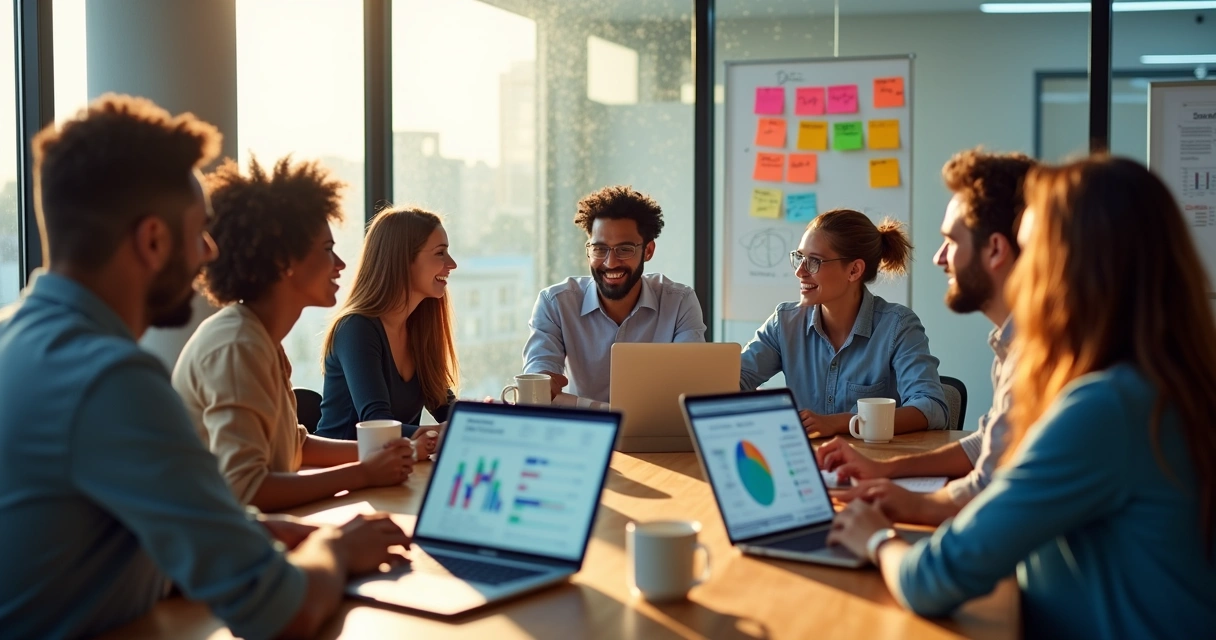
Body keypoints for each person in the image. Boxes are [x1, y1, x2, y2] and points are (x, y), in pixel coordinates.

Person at [0, 94, 408, 638]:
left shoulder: (16, 340)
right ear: (152, 240)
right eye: (198, 232)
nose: (211, 252)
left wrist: (253, 532)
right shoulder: (110, 380)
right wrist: (336, 545)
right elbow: (282, 611)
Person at [829, 157, 1216, 637]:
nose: (1020, 270)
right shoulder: (1154, 381)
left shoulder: (1106, 406)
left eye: (1031, 250)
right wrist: (912, 501)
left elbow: (931, 579)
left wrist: (874, 537)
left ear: (1071, 265)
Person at [173, 157, 423, 511]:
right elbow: (247, 489)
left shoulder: (260, 339)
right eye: (327, 250)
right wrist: (365, 473)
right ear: (283, 261)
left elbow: (296, 446)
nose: (340, 264)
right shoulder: (238, 346)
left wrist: (391, 453)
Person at [817, 150, 1035, 524]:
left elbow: (986, 498)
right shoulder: (1015, 347)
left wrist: (880, 535)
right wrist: (884, 470)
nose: (939, 258)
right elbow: (987, 444)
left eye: (951, 240)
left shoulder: (1049, 358)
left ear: (996, 249)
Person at [739, 209, 947, 437]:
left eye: (814, 261)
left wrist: (843, 423)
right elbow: (736, 380)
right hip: (806, 456)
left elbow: (931, 407)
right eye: (799, 258)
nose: (800, 271)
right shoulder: (784, 322)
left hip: (874, 457)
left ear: (854, 270)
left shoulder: (898, 326)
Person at [523, 185, 706, 403]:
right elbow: (538, 379)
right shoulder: (555, 303)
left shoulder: (679, 302)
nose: (610, 263)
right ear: (588, 250)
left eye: (625, 249)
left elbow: (690, 384)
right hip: (584, 424)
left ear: (648, 251)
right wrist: (544, 382)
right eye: (600, 249)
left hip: (656, 424)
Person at [316, 207, 458, 443]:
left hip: (393, 462)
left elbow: (445, 406)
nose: (452, 264)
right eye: (440, 253)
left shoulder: (418, 328)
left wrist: (483, 420)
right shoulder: (356, 329)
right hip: (345, 463)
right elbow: (377, 423)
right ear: (403, 260)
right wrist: (443, 431)